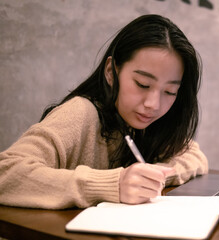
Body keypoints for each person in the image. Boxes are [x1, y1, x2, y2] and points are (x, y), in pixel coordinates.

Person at [0, 14, 208, 209]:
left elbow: (195, 157)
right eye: (142, 84)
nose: (153, 104)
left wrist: (153, 177)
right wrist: (113, 185)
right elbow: (6, 173)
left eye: (170, 91)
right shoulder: (80, 113)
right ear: (111, 71)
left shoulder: (146, 124)